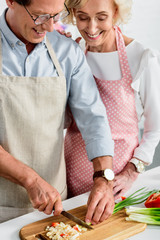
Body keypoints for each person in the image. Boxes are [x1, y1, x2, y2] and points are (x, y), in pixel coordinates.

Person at [0, 0, 115, 224]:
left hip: (54, 205)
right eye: (40, 16)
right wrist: (31, 181)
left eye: (56, 15)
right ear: (11, 1)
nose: (51, 27)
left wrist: (103, 178)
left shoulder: (67, 52)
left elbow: (94, 119)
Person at [64, 0, 160, 199]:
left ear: (116, 13)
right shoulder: (74, 51)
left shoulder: (141, 57)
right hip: (70, 171)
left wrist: (130, 172)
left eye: (101, 17)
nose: (91, 28)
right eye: (82, 17)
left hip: (117, 180)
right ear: (73, 14)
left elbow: (155, 129)